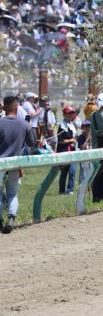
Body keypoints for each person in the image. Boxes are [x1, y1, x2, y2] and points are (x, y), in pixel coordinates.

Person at [0, 95, 36, 234]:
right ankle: (11, 218)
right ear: (16, 106)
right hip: (15, 164)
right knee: (12, 194)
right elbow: (32, 144)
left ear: (4, 107)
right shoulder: (24, 124)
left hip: (1, 164)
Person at [56, 107, 78, 195]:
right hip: (64, 151)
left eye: (71, 113)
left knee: (73, 171)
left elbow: (75, 137)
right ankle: (61, 191)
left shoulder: (72, 124)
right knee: (64, 172)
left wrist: (74, 141)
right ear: (64, 115)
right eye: (68, 113)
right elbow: (60, 140)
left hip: (72, 151)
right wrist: (71, 141)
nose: (70, 115)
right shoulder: (62, 126)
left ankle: (70, 190)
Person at [77, 120, 93, 188]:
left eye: (89, 126)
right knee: (84, 174)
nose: (87, 128)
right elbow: (82, 148)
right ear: (82, 128)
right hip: (84, 159)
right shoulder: (81, 137)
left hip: (91, 158)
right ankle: (83, 187)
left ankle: (91, 187)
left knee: (91, 173)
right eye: (85, 127)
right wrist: (87, 139)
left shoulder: (92, 136)